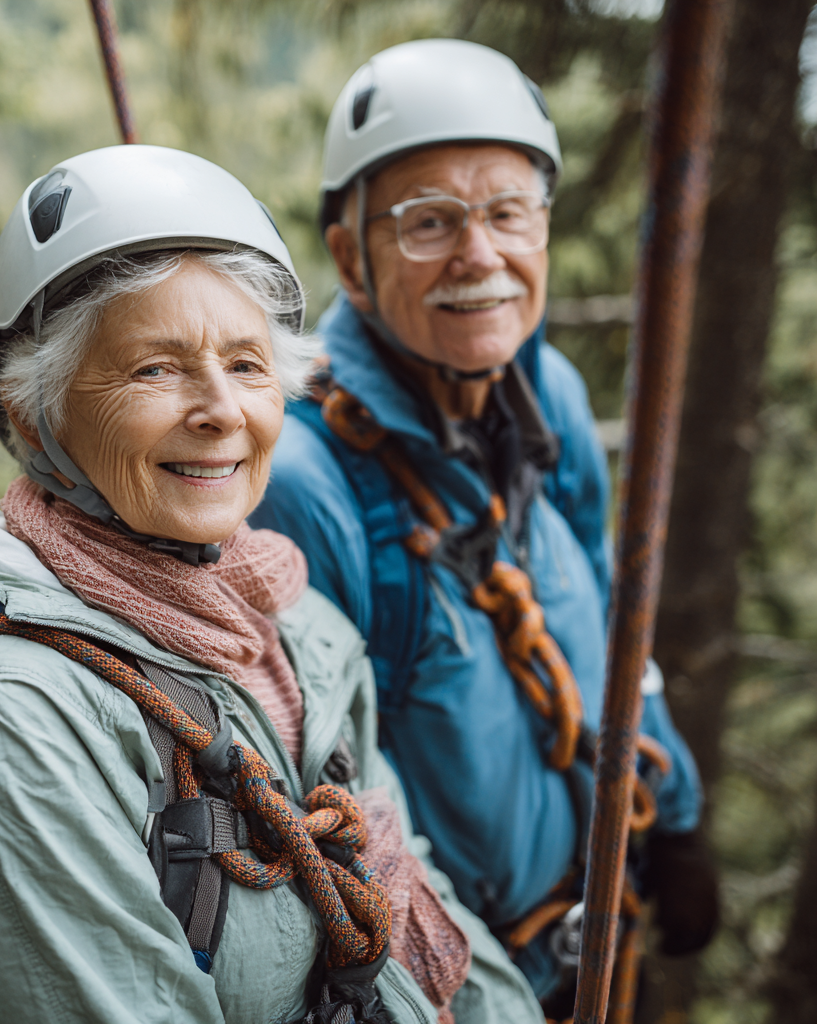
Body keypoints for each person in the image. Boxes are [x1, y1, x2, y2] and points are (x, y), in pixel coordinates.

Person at [0, 144, 545, 1024]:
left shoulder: (300, 634)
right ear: (33, 413)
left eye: (248, 365)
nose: (222, 410)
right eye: (155, 368)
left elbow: (418, 891)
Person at [251, 39, 718, 1007]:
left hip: (589, 940)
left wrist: (673, 817)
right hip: (458, 982)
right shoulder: (302, 479)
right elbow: (313, 804)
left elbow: (605, 612)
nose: (481, 255)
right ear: (350, 255)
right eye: (428, 223)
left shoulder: (546, 395)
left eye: (510, 214)